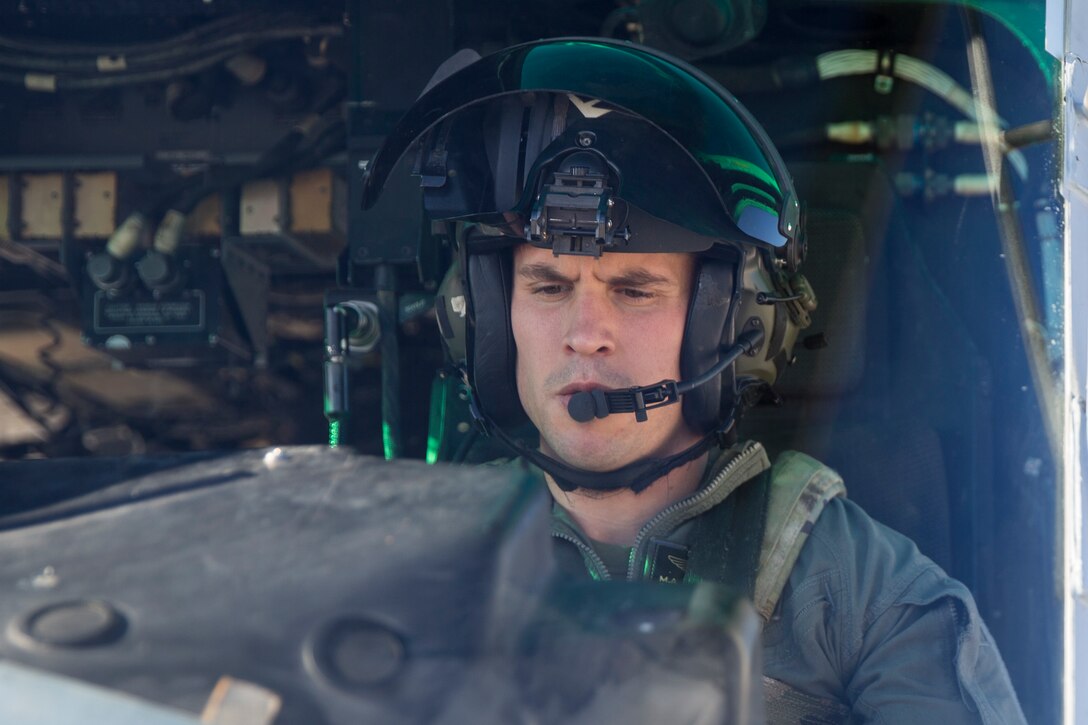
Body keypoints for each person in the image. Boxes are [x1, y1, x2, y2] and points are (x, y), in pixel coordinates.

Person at [361, 38, 1027, 723]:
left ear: (730, 326)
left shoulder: (864, 597)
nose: (584, 331)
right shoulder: (417, 581)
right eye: (549, 284)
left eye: (634, 289)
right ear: (487, 319)